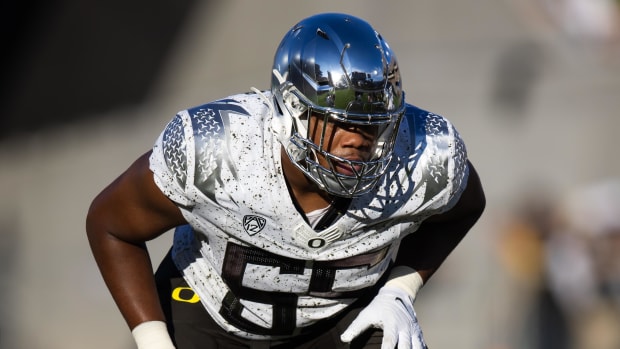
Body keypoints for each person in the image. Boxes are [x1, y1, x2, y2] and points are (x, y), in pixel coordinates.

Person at [86, 12, 485, 349]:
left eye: (376, 128)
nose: (360, 143)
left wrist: (401, 289)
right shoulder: (218, 151)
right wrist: (154, 341)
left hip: (340, 318)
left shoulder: (425, 155)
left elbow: (466, 207)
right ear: (292, 108)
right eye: (342, 123)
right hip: (212, 314)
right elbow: (111, 226)